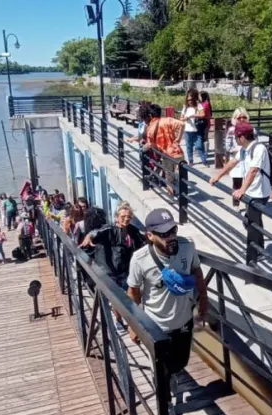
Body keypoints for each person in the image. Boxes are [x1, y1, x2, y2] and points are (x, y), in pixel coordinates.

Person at [126, 208, 208, 381]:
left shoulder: (187, 247)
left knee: (180, 363)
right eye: (164, 234)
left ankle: (171, 378)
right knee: (160, 372)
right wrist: (133, 325)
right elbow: (133, 292)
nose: (171, 237)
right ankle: (164, 392)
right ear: (150, 236)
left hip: (184, 321)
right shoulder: (139, 259)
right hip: (156, 326)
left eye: (173, 231)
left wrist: (204, 300)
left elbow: (197, 271)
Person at [79, 202, 145, 332]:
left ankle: (132, 321)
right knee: (116, 299)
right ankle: (119, 320)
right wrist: (89, 235)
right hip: (110, 272)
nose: (126, 219)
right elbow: (97, 232)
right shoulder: (109, 229)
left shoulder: (133, 231)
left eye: (129, 217)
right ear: (116, 217)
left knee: (131, 297)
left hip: (126, 270)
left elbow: (142, 242)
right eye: (123, 216)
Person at [209, 122, 271, 257]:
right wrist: (217, 176)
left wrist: (241, 190)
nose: (235, 139)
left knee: (251, 221)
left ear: (242, 137)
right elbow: (232, 163)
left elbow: (253, 171)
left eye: (236, 137)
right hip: (250, 191)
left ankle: (255, 251)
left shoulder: (259, 149)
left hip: (259, 192)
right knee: (253, 221)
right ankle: (258, 247)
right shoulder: (244, 149)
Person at [144, 104, 185, 196]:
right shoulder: (168, 120)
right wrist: (178, 139)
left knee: (169, 179)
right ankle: (183, 196)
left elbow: (152, 145)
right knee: (182, 177)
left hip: (166, 155)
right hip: (177, 152)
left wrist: (157, 155)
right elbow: (182, 124)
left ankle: (172, 196)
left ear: (150, 115)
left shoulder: (150, 128)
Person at [222, 107, 252, 208]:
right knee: (237, 183)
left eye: (244, 117)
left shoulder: (251, 129)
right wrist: (236, 150)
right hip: (236, 160)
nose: (242, 119)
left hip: (248, 159)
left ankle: (249, 205)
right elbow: (227, 146)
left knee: (249, 183)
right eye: (239, 117)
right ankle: (236, 204)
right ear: (235, 118)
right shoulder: (231, 130)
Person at [179, 89, 207, 166]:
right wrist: (186, 118)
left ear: (194, 99)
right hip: (187, 130)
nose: (190, 101)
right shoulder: (185, 108)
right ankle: (191, 161)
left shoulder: (198, 106)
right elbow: (181, 118)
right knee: (189, 146)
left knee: (199, 146)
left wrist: (194, 116)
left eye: (191, 100)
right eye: (188, 100)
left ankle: (204, 160)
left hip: (197, 129)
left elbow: (203, 114)